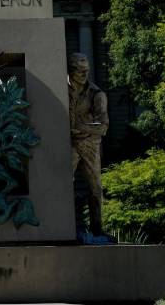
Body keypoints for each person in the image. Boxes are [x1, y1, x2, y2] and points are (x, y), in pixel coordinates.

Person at [68, 52, 108, 238]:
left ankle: (97, 229)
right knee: (63, 184)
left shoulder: (96, 94)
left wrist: (79, 127)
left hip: (89, 144)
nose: (84, 75)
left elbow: (103, 126)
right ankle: (66, 228)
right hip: (67, 143)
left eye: (86, 71)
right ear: (70, 70)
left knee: (95, 188)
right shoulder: (61, 88)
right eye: (79, 71)